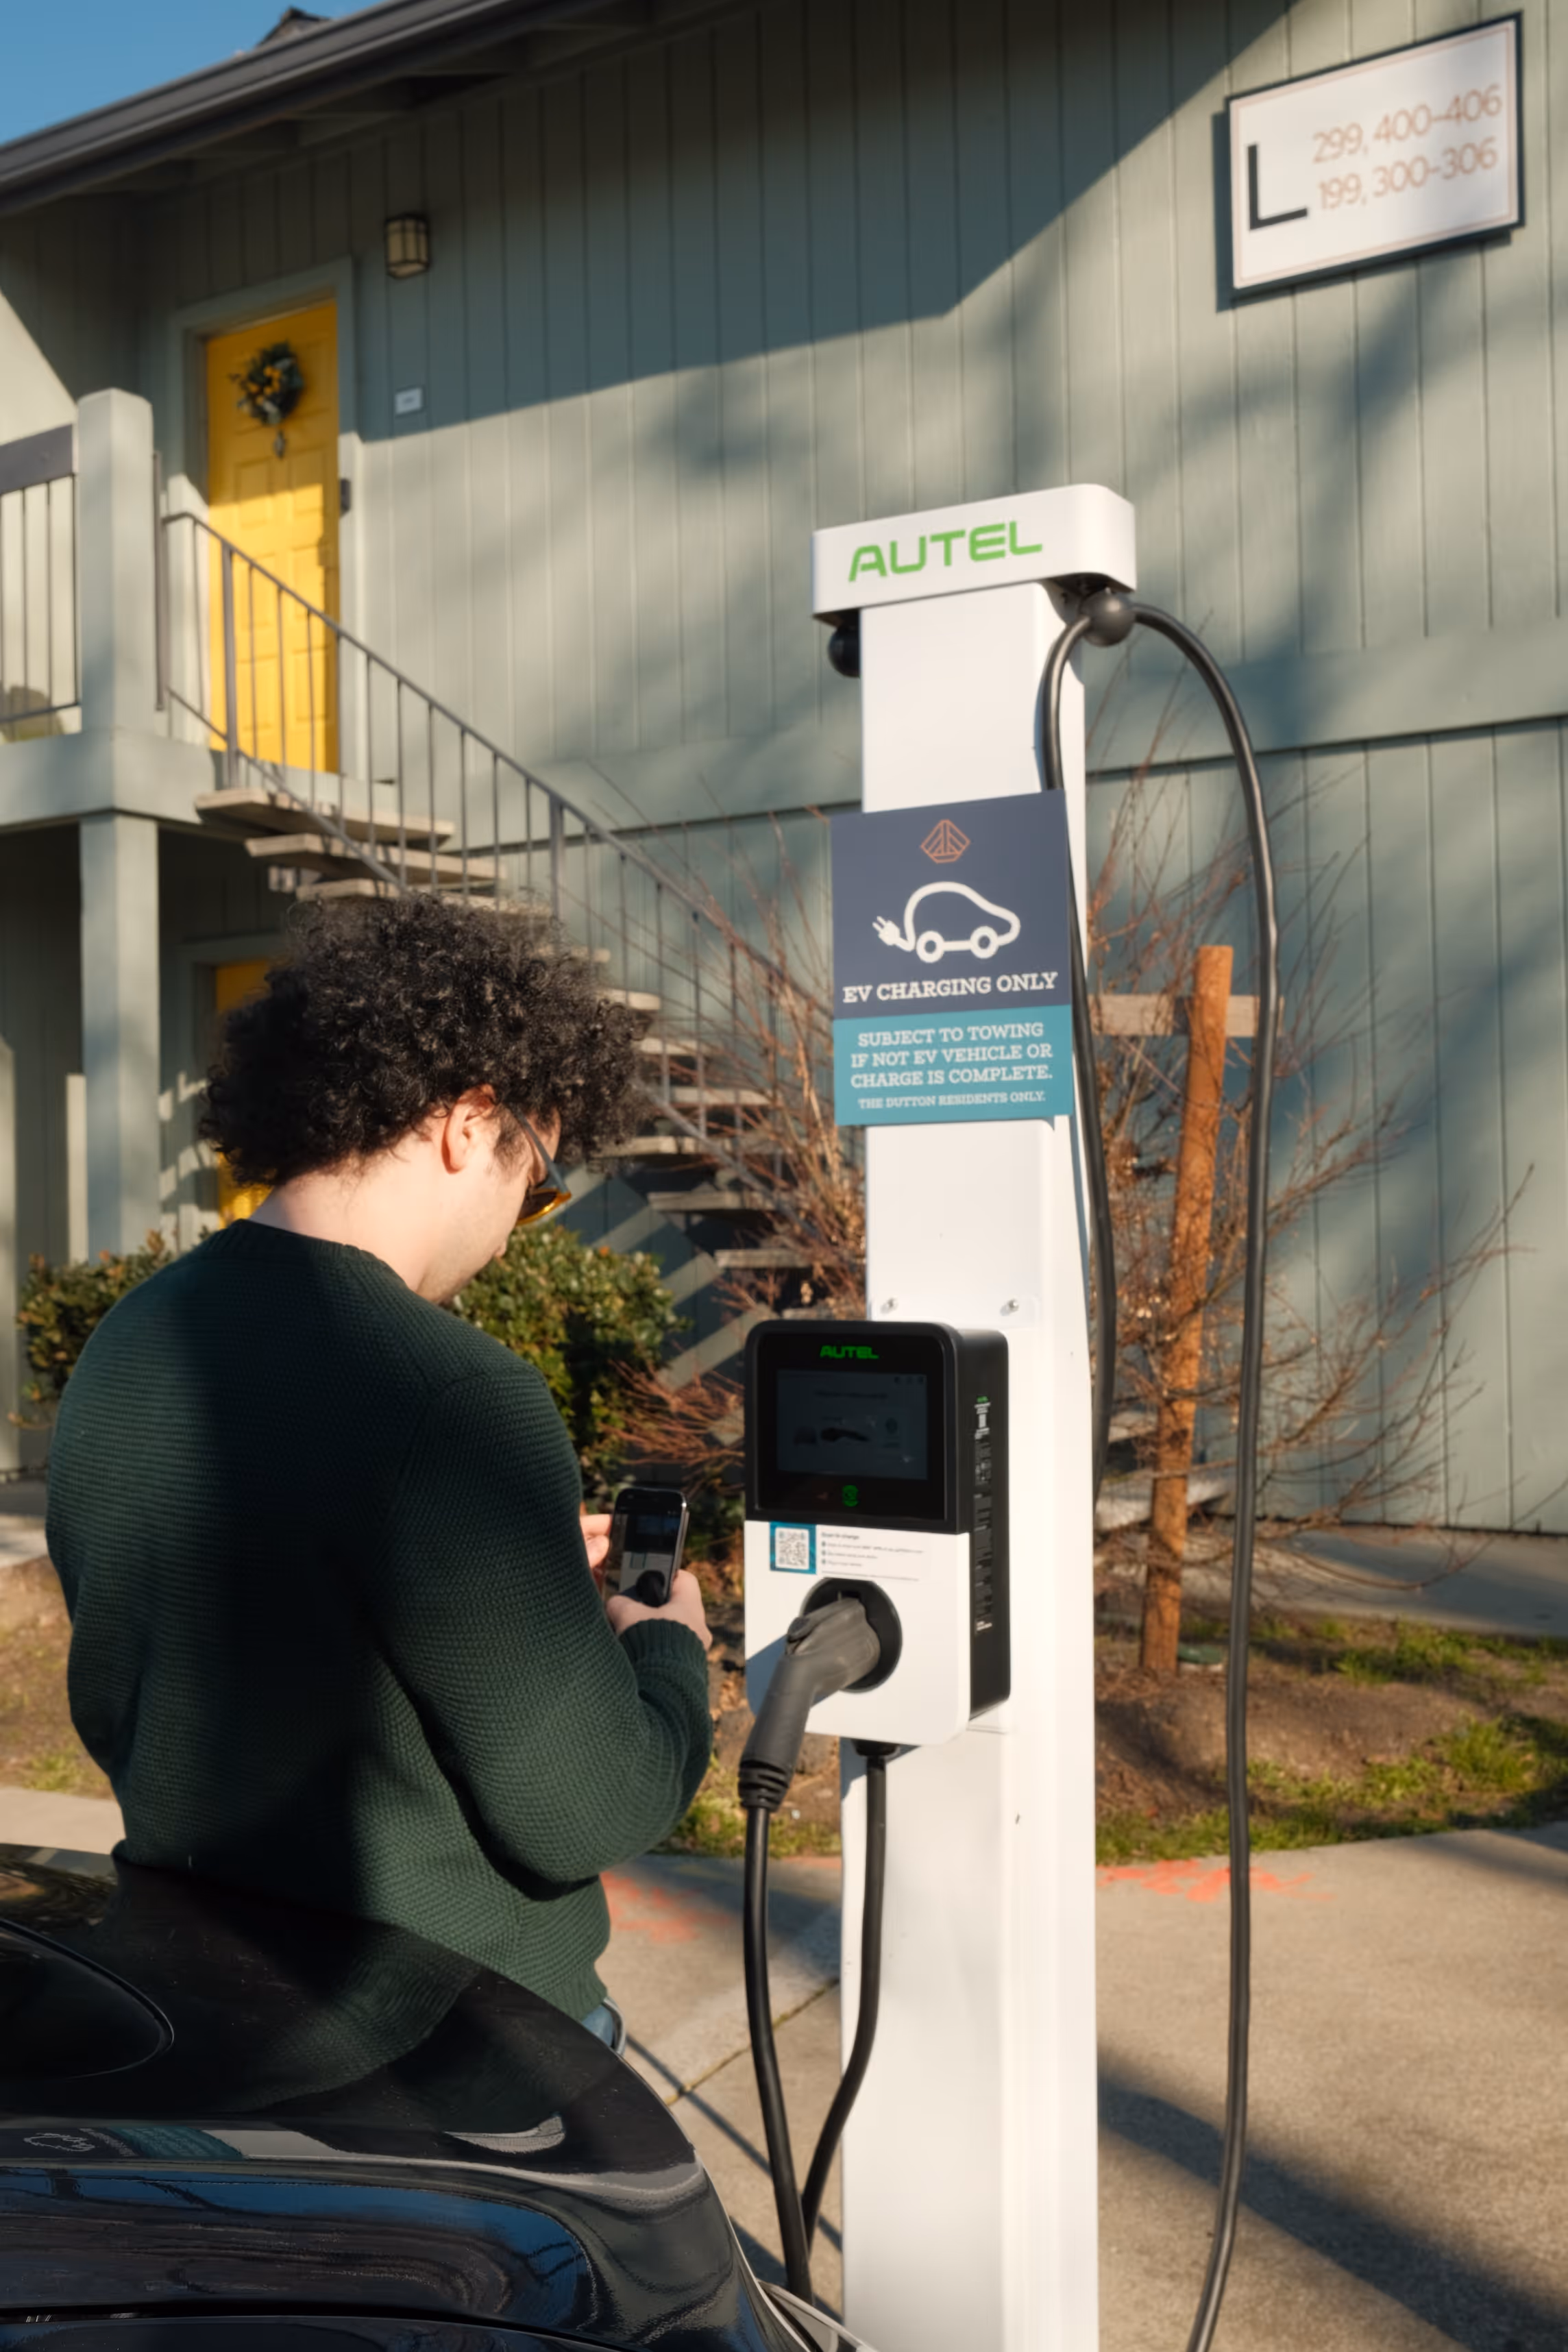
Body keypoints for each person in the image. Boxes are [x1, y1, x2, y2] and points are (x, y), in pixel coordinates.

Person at [47, 896, 713, 2042]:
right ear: (468, 1124)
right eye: (539, 1184)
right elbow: (592, 1805)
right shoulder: (449, 1393)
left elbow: (151, 1684)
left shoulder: (131, 1340)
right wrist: (668, 1647)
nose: (517, 1228)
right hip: (443, 2054)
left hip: (193, 2011)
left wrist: (524, 1586)